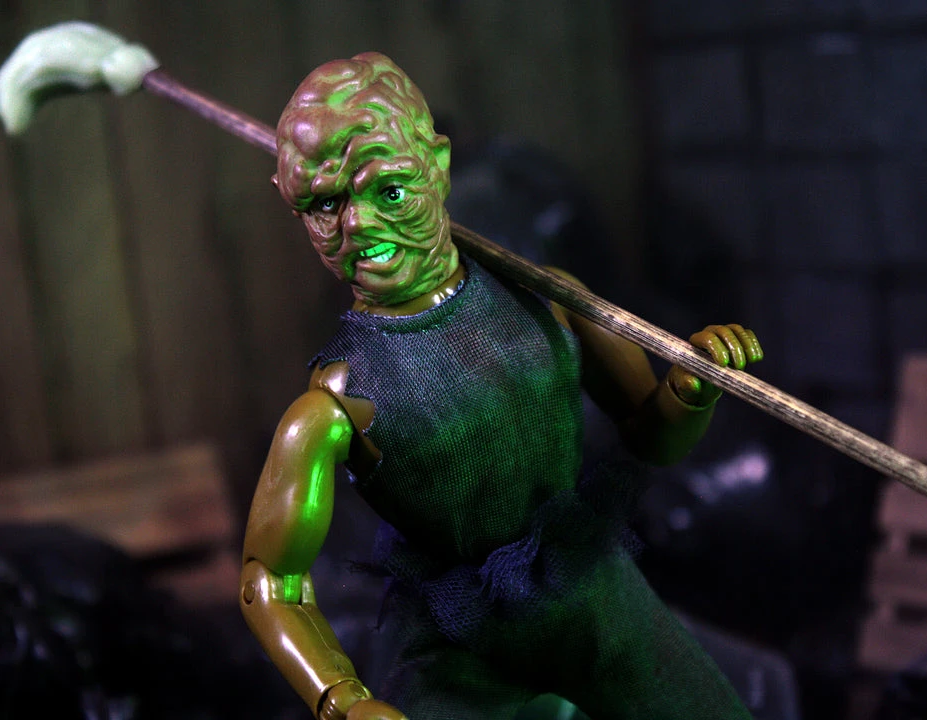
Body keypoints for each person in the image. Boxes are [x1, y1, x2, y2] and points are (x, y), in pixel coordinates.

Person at [239, 52, 762, 720]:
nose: (358, 226)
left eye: (388, 192)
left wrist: (690, 391)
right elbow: (270, 580)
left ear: (438, 165)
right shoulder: (332, 406)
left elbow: (651, 436)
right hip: (460, 643)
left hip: (593, 597)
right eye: (323, 206)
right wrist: (340, 699)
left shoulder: (550, 301)